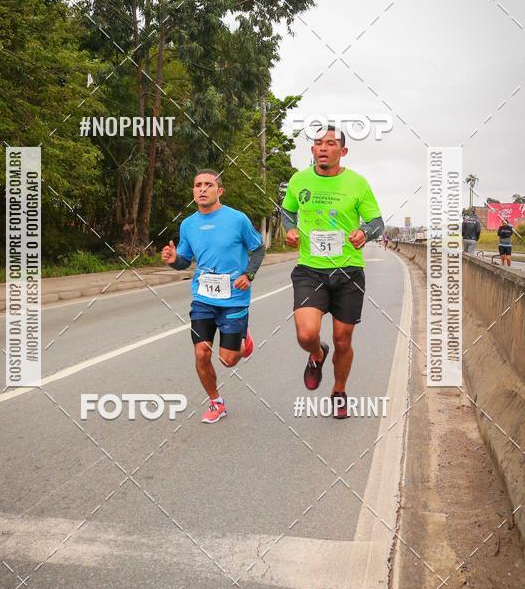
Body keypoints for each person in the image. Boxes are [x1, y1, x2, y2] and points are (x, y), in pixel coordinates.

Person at [281, 126, 384, 419]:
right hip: (310, 270)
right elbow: (287, 211)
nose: (323, 148)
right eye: (318, 143)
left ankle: (339, 391)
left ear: (343, 151)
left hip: (348, 271)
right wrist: (289, 229)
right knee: (306, 333)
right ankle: (316, 353)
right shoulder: (299, 180)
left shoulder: (357, 183)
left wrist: (364, 232)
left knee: (343, 340)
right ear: (312, 150)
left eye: (330, 143)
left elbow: (377, 222)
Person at [161, 170, 265, 424]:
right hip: (203, 298)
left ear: (220, 190)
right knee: (201, 353)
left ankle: (243, 341)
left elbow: (259, 247)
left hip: (234, 298)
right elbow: (185, 260)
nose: (203, 189)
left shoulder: (237, 219)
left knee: (228, 360)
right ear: (193, 191)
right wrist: (175, 261)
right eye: (198, 185)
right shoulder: (188, 224)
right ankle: (216, 402)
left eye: (209, 185)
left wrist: (248, 274)